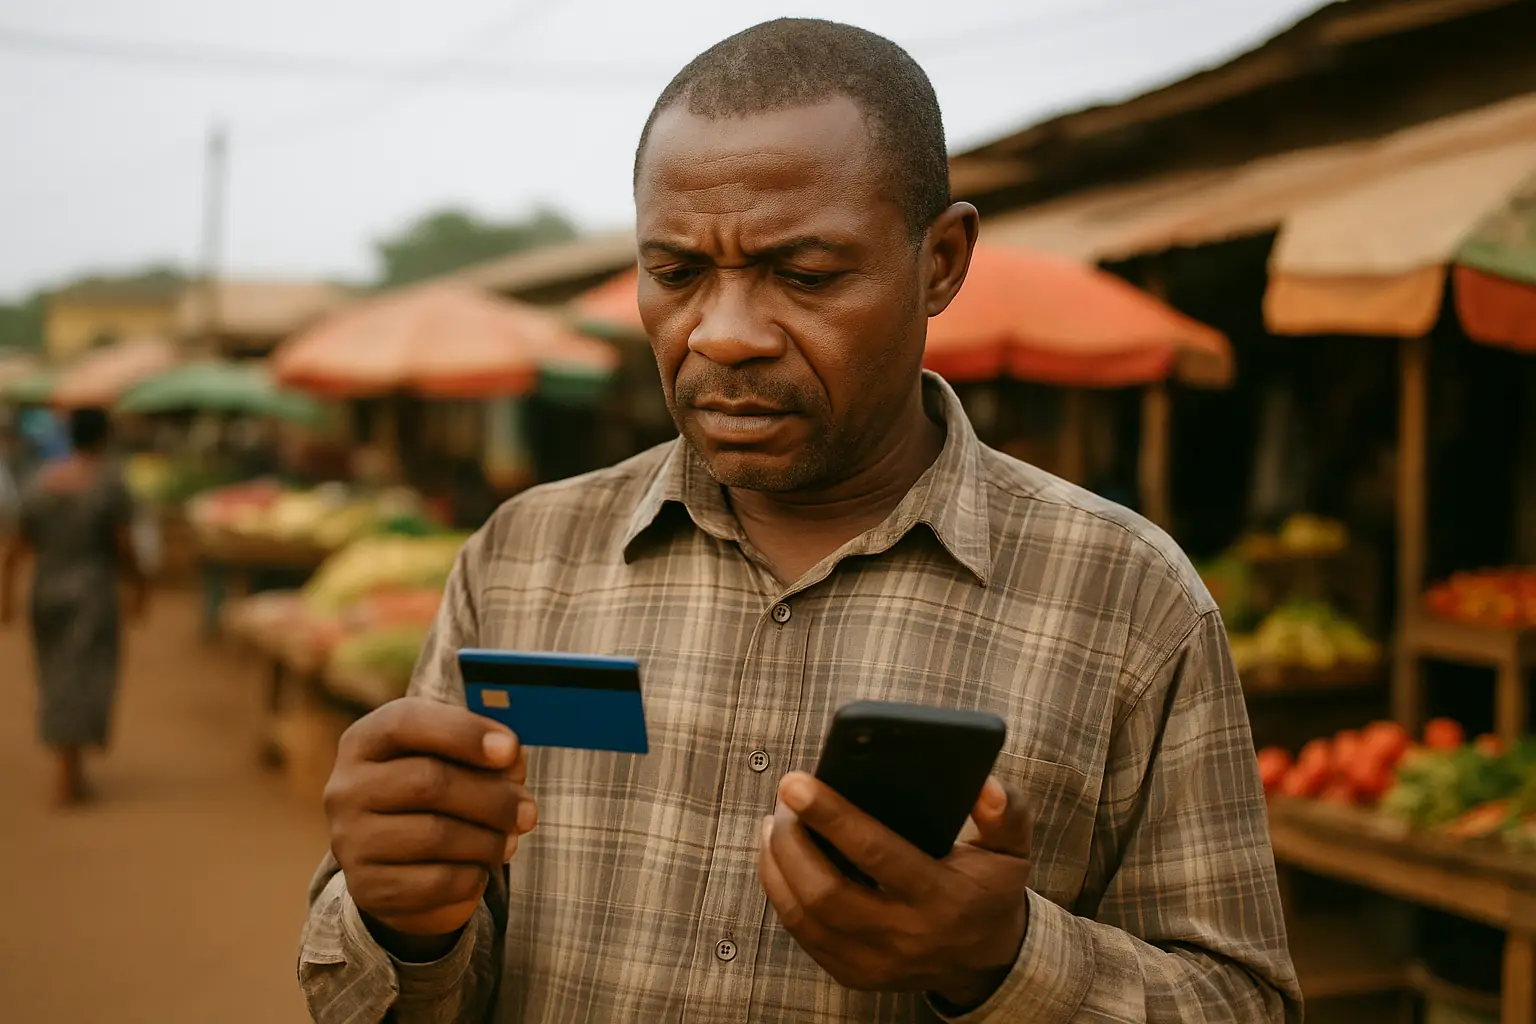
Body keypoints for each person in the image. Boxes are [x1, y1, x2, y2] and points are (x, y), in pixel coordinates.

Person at [300, 19, 1301, 1024]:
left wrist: (1004, 963)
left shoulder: (1128, 599)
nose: (725, 335)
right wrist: (403, 923)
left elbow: (1242, 1001)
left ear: (941, 260)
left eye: (807, 275)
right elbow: (385, 992)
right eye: (677, 274)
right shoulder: (522, 560)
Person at [1, 406, 147, 806]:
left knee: (55, 674)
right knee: (87, 676)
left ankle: (70, 766)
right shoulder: (109, 485)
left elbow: (15, 547)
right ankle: (68, 771)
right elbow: (124, 545)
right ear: (103, 438)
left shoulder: (40, 482)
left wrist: (6, 596)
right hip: (92, 593)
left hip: (46, 592)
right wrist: (139, 586)